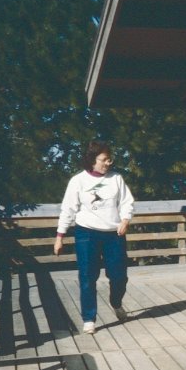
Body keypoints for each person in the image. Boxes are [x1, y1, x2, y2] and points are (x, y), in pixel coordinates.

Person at [53, 140, 135, 335]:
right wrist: (59, 236)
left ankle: (116, 302)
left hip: (113, 234)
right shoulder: (78, 181)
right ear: (92, 160)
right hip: (86, 233)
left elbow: (127, 202)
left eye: (110, 159)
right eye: (104, 160)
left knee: (119, 276)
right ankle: (89, 318)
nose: (108, 163)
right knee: (87, 277)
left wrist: (125, 219)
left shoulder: (116, 179)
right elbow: (68, 209)